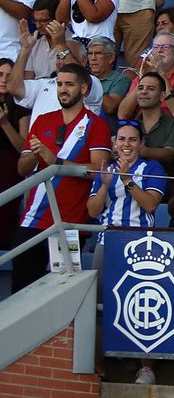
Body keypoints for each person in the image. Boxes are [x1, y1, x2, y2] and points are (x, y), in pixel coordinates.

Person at [14, 64, 111, 287]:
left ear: (84, 88)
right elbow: (22, 168)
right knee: (22, 290)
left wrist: (54, 159)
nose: (62, 89)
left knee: (63, 291)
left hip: (69, 223)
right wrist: (35, 156)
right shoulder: (42, 120)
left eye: (69, 84)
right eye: (59, 84)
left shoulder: (96, 125)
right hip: (32, 219)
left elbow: (97, 171)